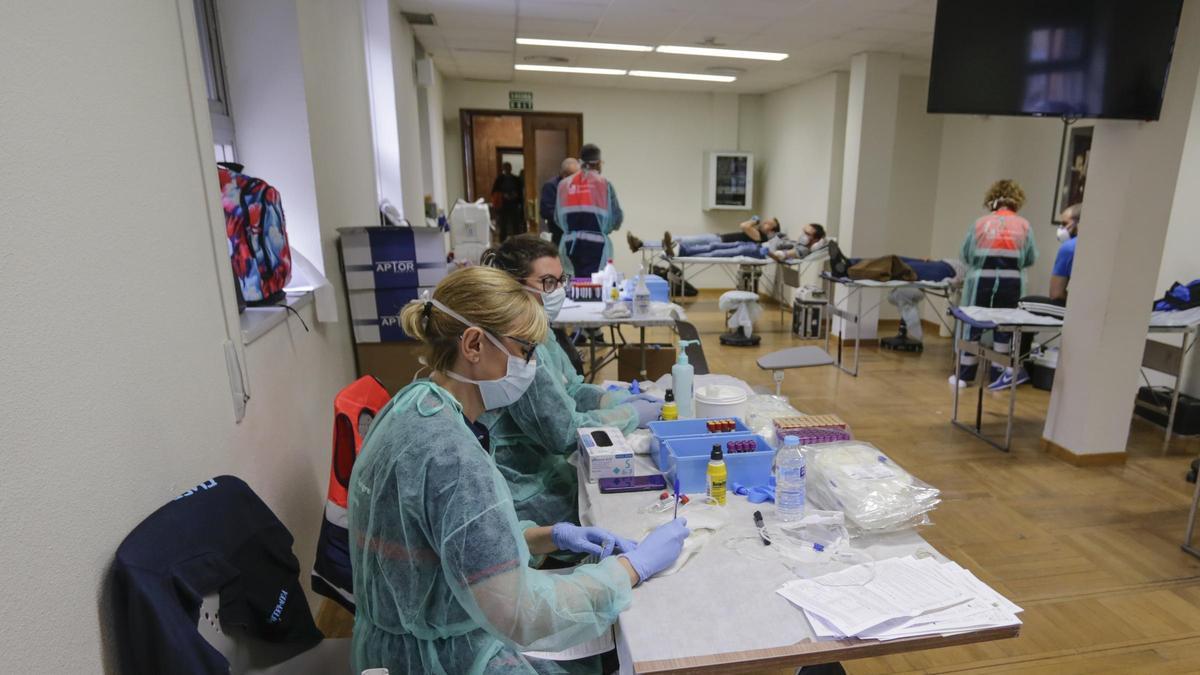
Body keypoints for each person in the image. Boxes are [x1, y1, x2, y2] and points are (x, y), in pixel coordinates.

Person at [349, 266, 690, 674]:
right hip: (443, 659)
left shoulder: (413, 405)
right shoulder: (452, 455)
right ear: (474, 344)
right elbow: (522, 612)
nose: (531, 366)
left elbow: (451, 547)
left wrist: (547, 537)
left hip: (402, 643)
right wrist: (632, 568)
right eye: (526, 351)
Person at [482, 235, 662, 527]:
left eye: (560, 280)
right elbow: (564, 432)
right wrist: (629, 415)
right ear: (513, 285)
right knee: (625, 511)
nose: (558, 291)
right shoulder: (517, 347)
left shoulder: (541, 330)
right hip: (527, 490)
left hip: (546, 465)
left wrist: (614, 400)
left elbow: (571, 388)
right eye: (547, 283)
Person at [950, 179, 1038, 389]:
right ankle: (998, 376)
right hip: (1012, 282)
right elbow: (1030, 258)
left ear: (991, 200)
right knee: (1004, 326)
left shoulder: (980, 223)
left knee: (973, 324)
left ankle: (964, 375)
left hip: (981, 280)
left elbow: (966, 254)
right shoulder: (1024, 225)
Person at [557, 143, 623, 277]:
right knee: (593, 289)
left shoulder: (564, 185)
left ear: (580, 162)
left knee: (574, 289)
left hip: (570, 246)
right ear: (598, 163)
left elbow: (558, 219)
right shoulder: (604, 185)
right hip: (596, 248)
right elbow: (616, 219)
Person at [540, 158, 578, 246]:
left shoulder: (578, 185)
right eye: (572, 175)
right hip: (559, 233)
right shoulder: (551, 186)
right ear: (563, 175)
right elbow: (546, 211)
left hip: (577, 234)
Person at [1049, 203, 1081, 302]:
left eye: (1064, 224)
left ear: (1078, 223)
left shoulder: (1068, 248)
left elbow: (1056, 294)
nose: (1061, 229)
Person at [492, 161, 525, 242]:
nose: (507, 169)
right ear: (503, 169)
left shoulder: (516, 179)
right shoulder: (499, 179)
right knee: (503, 224)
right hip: (503, 205)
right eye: (505, 167)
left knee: (515, 224)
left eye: (509, 167)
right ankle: (502, 241)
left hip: (514, 204)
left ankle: (517, 241)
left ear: (511, 168)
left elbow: (520, 192)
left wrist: (516, 196)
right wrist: (503, 195)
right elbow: (494, 191)